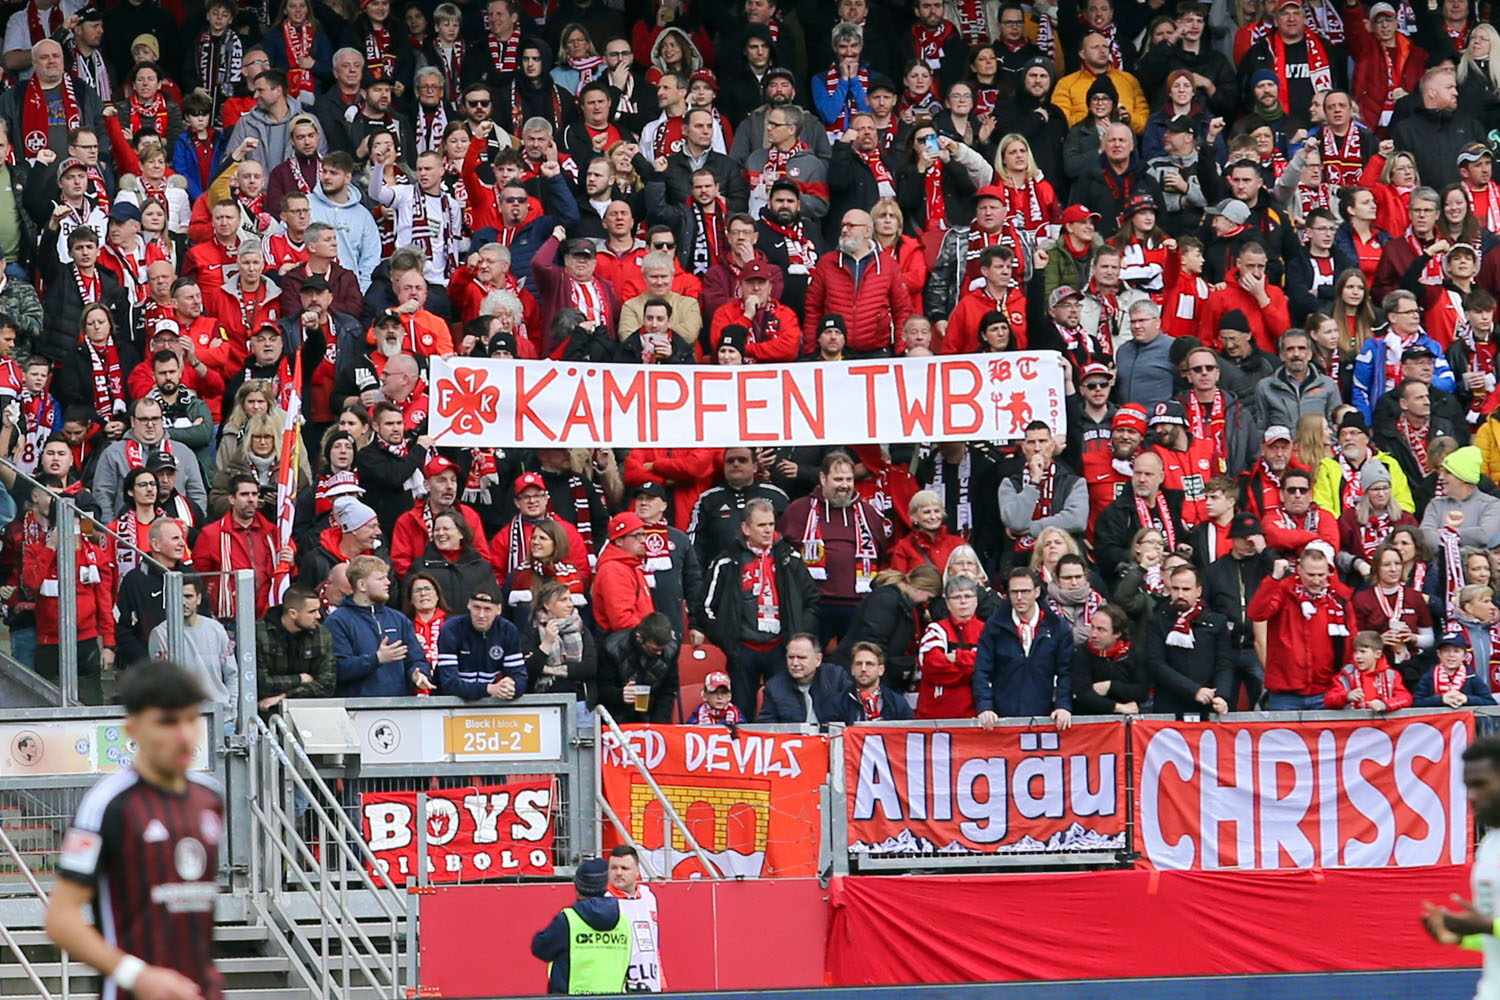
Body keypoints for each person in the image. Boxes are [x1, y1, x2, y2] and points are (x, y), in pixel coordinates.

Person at [45, 661, 224, 1000]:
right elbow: (61, 919)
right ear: (133, 730)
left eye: (190, 719)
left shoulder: (210, 798)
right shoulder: (109, 804)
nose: (184, 735)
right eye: (167, 723)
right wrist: (137, 975)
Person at [1247, 545, 1349, 709]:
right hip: (1285, 694)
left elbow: (1350, 641)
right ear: (1299, 570)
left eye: (1321, 575)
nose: (1316, 580)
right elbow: (1257, 613)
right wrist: (1273, 579)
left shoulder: (1339, 598)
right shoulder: (1282, 590)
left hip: (1327, 691)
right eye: (1310, 575)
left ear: (1330, 571)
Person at [972, 566, 1074, 730]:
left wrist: (1063, 705)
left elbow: (1066, 670)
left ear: (1037, 592)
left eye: (1025, 591)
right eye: (1014, 592)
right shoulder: (995, 626)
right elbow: (982, 670)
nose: (1019, 597)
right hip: (1002, 720)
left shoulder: (1056, 626)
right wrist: (985, 707)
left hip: (1046, 718)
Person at [326, 554, 433, 697]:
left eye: (387, 577)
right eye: (381, 579)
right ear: (362, 585)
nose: (388, 582)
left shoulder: (399, 619)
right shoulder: (337, 621)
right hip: (357, 711)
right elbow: (337, 669)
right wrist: (376, 659)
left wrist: (417, 673)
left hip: (400, 709)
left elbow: (417, 659)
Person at [1142, 562, 1232, 717]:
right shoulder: (1157, 621)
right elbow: (1155, 665)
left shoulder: (1217, 622)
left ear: (1199, 591)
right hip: (1169, 707)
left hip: (1208, 705)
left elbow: (1224, 664)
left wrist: (1222, 696)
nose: (1180, 595)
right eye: (1175, 589)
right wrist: (1193, 690)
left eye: (1186, 589)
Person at [531, 856, 630, 996]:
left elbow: (540, 948)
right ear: (605, 886)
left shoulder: (568, 920)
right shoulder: (623, 921)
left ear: (577, 887)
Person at [147, 574, 236, 722]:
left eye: (188, 596)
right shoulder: (160, 634)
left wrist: (233, 712)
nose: (183, 602)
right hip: (183, 720)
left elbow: (232, 674)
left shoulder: (216, 629)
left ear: (199, 598)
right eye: (178, 596)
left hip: (221, 717)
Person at [255, 582, 336, 712]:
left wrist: (285, 696)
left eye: (318, 610)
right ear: (292, 613)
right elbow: (260, 683)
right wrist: (300, 679)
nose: (319, 616)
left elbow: (326, 685)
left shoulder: (322, 634)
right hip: (264, 710)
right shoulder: (258, 633)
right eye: (312, 611)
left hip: (308, 711)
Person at [436, 586, 526, 701]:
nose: (481, 615)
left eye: (487, 609)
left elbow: (520, 677)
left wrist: (512, 686)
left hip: (490, 706)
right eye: (476, 608)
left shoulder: (508, 630)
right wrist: (488, 689)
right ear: (469, 605)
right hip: (448, 705)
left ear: (498, 610)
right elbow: (449, 684)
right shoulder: (452, 628)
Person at [596, 612, 677, 723]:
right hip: (617, 720)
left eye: (662, 649)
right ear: (639, 638)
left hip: (652, 718)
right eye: (653, 649)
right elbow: (601, 688)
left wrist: (659, 726)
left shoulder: (671, 650)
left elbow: (668, 690)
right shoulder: (612, 647)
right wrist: (620, 695)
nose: (659, 653)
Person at [758, 632, 854, 725]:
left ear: (818, 660)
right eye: (791, 657)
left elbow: (853, 716)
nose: (795, 663)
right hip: (793, 740)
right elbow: (768, 728)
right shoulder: (774, 686)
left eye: (801, 658)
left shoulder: (836, 677)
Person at [1070, 602, 1149, 715]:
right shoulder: (1082, 652)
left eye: (1101, 630)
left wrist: (1111, 687)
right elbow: (1082, 693)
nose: (1093, 634)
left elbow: (1142, 691)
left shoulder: (1134, 653)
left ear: (1117, 633)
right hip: (1091, 721)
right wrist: (1117, 707)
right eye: (1092, 627)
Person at [606, 844, 664, 993]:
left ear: (637, 871)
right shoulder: (604, 901)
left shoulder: (648, 896)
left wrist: (661, 981)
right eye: (614, 868)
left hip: (651, 985)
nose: (618, 873)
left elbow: (654, 942)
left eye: (624, 868)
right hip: (622, 988)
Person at [1324, 630, 1414, 712]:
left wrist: (1385, 705)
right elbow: (1328, 700)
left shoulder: (1391, 675)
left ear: (1377, 654)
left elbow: (1406, 698)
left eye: (1363, 652)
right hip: (1353, 728)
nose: (1358, 656)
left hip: (1383, 727)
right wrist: (1346, 696)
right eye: (1355, 652)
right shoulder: (1345, 676)